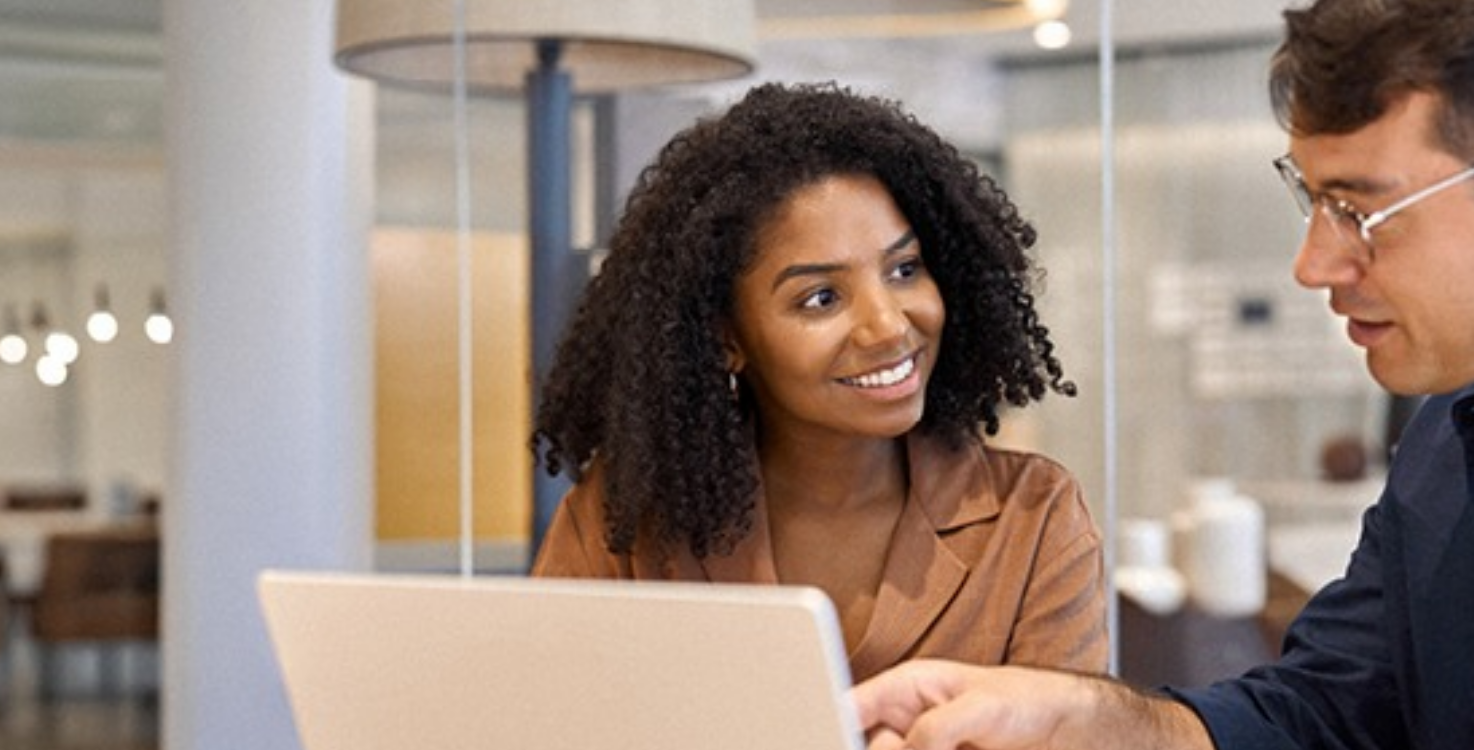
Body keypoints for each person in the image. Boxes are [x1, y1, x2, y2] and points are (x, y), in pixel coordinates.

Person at [852, 0, 1474, 748]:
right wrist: (1091, 723)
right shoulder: (1443, 450)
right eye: (1313, 200)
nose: (1313, 265)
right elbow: (1325, 714)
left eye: (1357, 209)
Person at [528, 81, 1106, 682]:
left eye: (904, 269)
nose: (887, 325)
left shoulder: (1033, 519)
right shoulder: (624, 524)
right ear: (727, 338)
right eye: (821, 298)